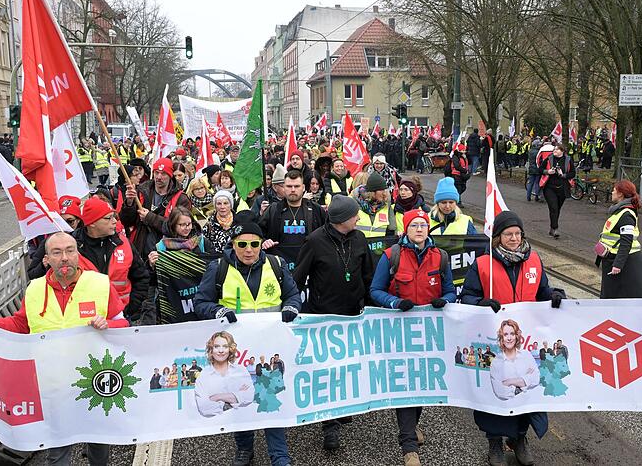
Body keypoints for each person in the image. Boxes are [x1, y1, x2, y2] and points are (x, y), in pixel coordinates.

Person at [0, 232, 127, 466]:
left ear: (78, 255)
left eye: (70, 251)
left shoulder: (100, 283)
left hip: (94, 381)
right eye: (57, 252)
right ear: (46, 259)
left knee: (99, 444)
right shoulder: (35, 289)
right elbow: (21, 324)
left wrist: (108, 324)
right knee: (57, 450)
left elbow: (123, 324)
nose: (65, 257)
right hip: (53, 384)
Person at [193, 211, 300, 466]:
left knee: (270, 398)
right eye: (242, 244)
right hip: (236, 352)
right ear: (233, 245)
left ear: (261, 244)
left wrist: (291, 308)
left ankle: (280, 456)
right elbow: (201, 302)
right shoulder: (218, 268)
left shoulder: (276, 265)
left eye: (254, 244)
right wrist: (218, 311)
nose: (248, 250)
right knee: (240, 400)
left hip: (269, 348)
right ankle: (244, 448)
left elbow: (293, 295)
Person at [459, 211, 563, 466]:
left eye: (517, 233)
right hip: (493, 341)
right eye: (508, 234)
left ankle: (519, 438)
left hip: (524, 342)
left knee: (525, 389)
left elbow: (541, 292)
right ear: (498, 238)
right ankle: (494, 441)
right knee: (495, 389)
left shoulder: (534, 261)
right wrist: (481, 302)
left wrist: (554, 295)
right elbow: (467, 296)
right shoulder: (483, 263)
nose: (514, 238)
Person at [369, 208, 456, 465]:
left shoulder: (440, 257)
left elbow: (451, 290)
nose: (419, 229)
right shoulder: (391, 256)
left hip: (429, 335)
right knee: (405, 386)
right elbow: (375, 290)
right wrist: (395, 303)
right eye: (414, 225)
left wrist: (445, 300)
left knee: (421, 384)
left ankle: (413, 426)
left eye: (423, 224)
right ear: (405, 229)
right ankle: (409, 447)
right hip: (399, 332)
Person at [293, 195, 375, 451]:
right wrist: (293, 308)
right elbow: (297, 278)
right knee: (328, 370)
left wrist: (372, 306)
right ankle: (329, 425)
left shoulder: (359, 239)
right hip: (324, 317)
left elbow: (368, 276)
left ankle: (343, 407)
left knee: (348, 366)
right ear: (342, 219)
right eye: (355, 215)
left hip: (353, 315)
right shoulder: (315, 241)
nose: (358, 218)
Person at [27, 198, 151, 324]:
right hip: (83, 321)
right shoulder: (70, 247)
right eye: (109, 218)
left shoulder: (123, 243)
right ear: (92, 223)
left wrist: (129, 309)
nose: (115, 221)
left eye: (114, 217)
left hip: (120, 316)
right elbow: (53, 284)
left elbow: (141, 277)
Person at [121, 157, 191, 261]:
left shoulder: (181, 198)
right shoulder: (142, 191)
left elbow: (180, 229)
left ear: (170, 175)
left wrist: (150, 217)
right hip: (141, 248)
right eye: (156, 172)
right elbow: (127, 222)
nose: (158, 177)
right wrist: (129, 203)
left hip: (166, 254)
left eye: (163, 174)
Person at [259, 169, 327, 268]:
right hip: (280, 267)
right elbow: (258, 232)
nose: (293, 189)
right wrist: (264, 241)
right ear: (284, 188)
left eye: (297, 186)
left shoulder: (315, 209)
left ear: (303, 188)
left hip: (309, 265)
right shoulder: (273, 210)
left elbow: (327, 233)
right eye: (289, 186)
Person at [597, 180, 642, 299]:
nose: (612, 192)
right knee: (611, 296)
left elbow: (626, 242)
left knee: (620, 297)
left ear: (620, 194)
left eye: (614, 190)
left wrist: (617, 265)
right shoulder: (619, 210)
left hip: (625, 262)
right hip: (614, 259)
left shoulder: (626, 214)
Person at [193, 331, 254, 417]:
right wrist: (235, 398)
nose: (221, 351)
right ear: (211, 349)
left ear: (230, 349)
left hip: (241, 424)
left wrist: (217, 397)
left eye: (225, 346)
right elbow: (204, 408)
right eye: (216, 346)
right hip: (214, 426)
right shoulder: (203, 376)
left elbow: (249, 397)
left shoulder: (241, 370)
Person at [489, 319, 540, 400]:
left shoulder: (526, 355)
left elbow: (536, 379)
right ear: (501, 338)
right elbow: (500, 391)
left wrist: (509, 382)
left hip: (529, 406)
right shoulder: (496, 362)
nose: (509, 338)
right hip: (506, 409)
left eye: (512, 334)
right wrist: (524, 381)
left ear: (516, 336)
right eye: (505, 334)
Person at [538, 143, 575, 238]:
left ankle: (552, 228)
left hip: (562, 188)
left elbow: (573, 173)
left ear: (562, 151)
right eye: (554, 149)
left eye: (557, 149)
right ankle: (555, 228)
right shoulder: (549, 158)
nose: (555, 151)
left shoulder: (568, 160)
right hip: (549, 187)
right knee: (554, 207)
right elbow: (540, 169)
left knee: (557, 209)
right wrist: (548, 172)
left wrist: (563, 175)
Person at [353, 172, 397, 238]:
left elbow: (392, 230)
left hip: (379, 247)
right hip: (358, 246)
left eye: (385, 190)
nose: (384, 194)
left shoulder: (386, 205)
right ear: (372, 192)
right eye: (381, 190)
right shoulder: (353, 203)